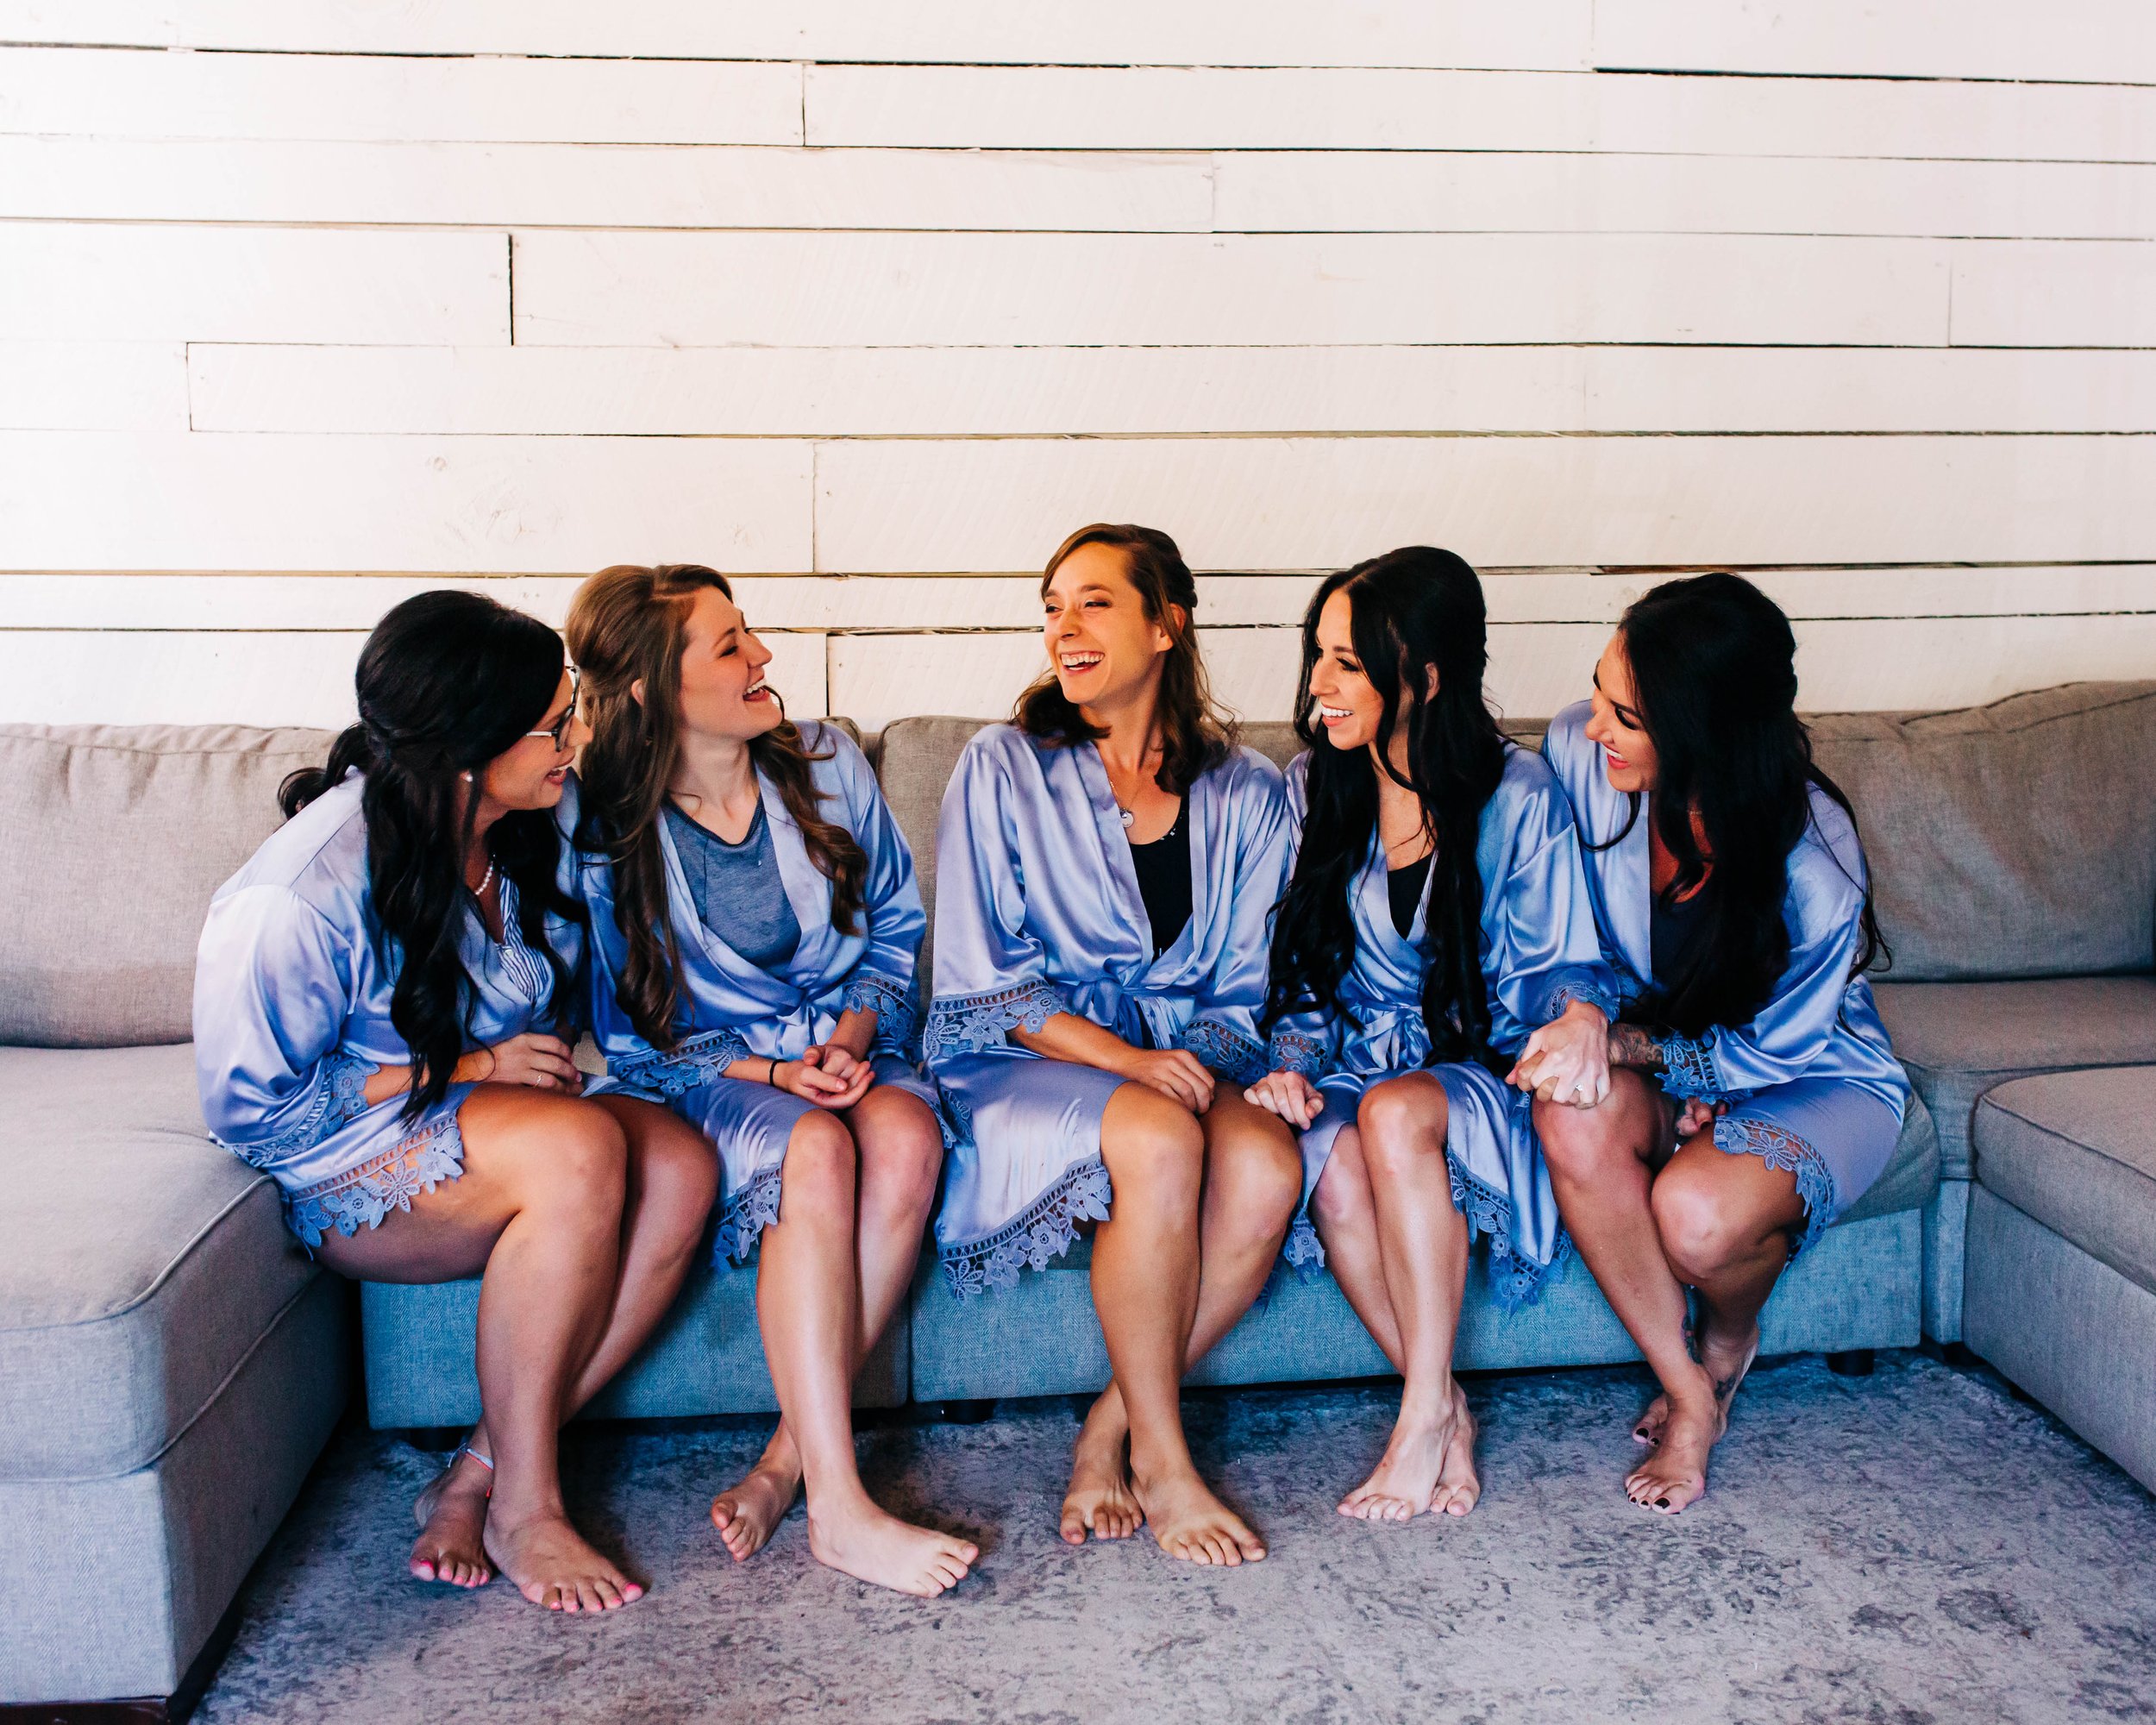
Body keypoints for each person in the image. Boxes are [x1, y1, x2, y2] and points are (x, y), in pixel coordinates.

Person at [194, 591, 718, 1611]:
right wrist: (469, 1072)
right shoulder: (295, 897)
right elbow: (254, 1112)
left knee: (685, 1164)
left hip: (500, 1116)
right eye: (557, 725)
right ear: (471, 749)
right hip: (354, 1156)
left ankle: (475, 1471)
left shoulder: (524, 819)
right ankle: (530, 1505)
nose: (576, 741)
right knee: (576, 1151)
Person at [565, 563, 975, 1598]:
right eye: (730, 644)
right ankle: (840, 1506)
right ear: (655, 685)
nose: (763, 658)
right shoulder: (602, 826)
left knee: (911, 1139)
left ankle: (787, 1460)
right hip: (709, 1073)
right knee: (813, 1144)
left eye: (751, 634)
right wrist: (771, 1069)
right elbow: (626, 1031)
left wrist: (845, 1037)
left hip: (845, 1040)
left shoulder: (828, 761)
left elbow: (894, 928)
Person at [926, 524, 1298, 1565]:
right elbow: (980, 979)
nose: (1063, 627)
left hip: (1180, 1056)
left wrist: (1187, 1062)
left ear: (1165, 621)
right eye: (1051, 605)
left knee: (1268, 1166)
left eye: (1091, 601)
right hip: (1023, 1054)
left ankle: (1108, 1423)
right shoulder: (1002, 765)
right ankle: (1169, 1462)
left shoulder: (1251, 791)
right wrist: (1131, 1061)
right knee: (1164, 1139)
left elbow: (1238, 988)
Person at [1245, 548, 1618, 1521]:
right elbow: (1300, 967)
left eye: (1349, 662)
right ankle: (1445, 1401)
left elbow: (1551, 967)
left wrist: (1576, 1019)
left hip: (1481, 1070)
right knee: (1330, 1150)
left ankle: (1414, 1421)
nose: (1319, 684)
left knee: (1400, 1109)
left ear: (1426, 678)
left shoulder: (1519, 794)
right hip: (1357, 1067)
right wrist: (1289, 1064)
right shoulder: (1309, 788)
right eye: (1317, 654)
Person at [1534, 572, 1909, 1514]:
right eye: (1598, 692)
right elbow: (1554, 926)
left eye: (1626, 714)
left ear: (1705, 729)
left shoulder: (1814, 861)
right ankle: (1690, 1391)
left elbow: (1780, 1045)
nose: (1593, 727)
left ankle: (1728, 1343)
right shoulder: (1577, 758)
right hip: (1662, 1047)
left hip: (1810, 1068)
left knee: (1695, 1215)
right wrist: (1583, 1012)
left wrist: (1655, 1059)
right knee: (1566, 1110)